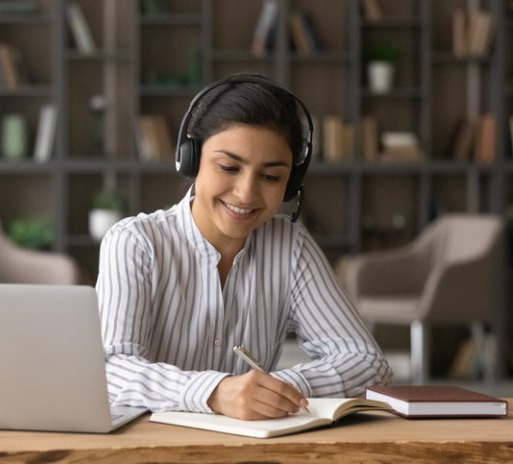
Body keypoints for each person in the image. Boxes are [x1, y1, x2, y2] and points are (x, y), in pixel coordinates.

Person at [96, 73, 392, 421]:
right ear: (190, 159)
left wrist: (280, 389)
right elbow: (110, 370)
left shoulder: (290, 245)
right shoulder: (135, 242)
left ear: (291, 183)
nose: (246, 193)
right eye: (228, 167)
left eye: (270, 177)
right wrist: (215, 392)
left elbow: (368, 363)